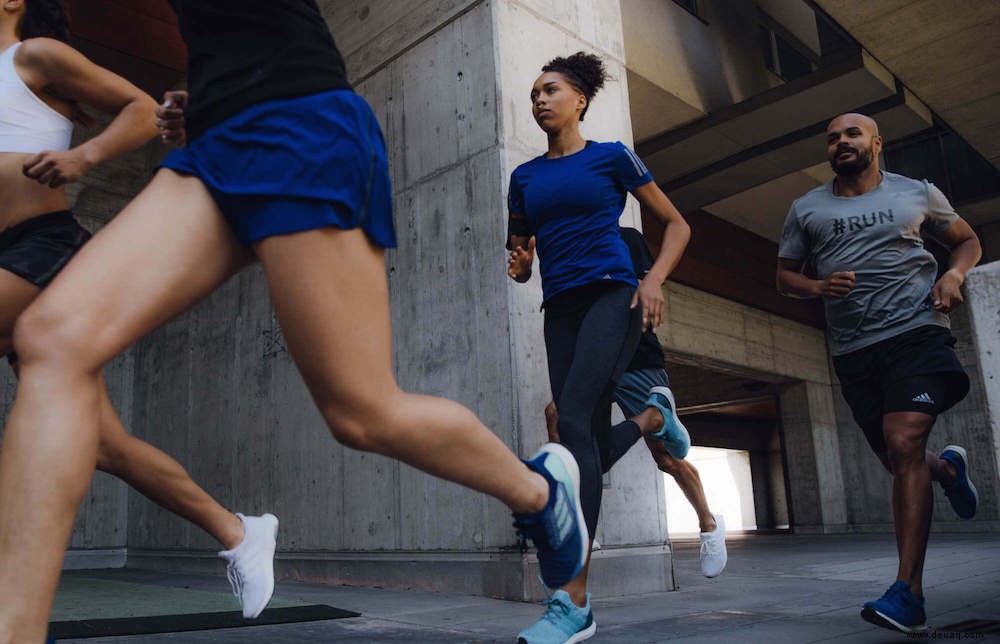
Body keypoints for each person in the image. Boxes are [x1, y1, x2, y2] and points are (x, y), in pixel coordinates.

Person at [0, 1, 588, 642]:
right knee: (52, 338)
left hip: (300, 124)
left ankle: (539, 492)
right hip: (214, 147)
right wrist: (204, 97)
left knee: (362, 414)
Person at [0, 0, 277, 622]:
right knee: (104, 444)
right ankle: (238, 530)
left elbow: (141, 110)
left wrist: (82, 159)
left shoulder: (33, 54)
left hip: (37, 247)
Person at [506, 52, 691, 644]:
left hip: (616, 296)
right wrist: (522, 263)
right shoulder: (524, 178)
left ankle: (573, 597)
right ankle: (651, 418)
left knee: (577, 419)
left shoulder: (612, 156)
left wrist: (653, 278)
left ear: (580, 99)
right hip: (558, 307)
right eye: (533, 93)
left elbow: (678, 224)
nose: (539, 100)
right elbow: (518, 253)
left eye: (550, 90)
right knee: (572, 432)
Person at [776, 113, 981, 634]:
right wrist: (818, 288)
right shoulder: (807, 209)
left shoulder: (918, 193)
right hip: (854, 349)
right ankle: (950, 471)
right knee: (898, 457)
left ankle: (908, 593)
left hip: (918, 330)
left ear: (876, 143)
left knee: (904, 437)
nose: (841, 142)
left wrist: (954, 273)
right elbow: (784, 278)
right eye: (832, 138)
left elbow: (967, 241)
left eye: (852, 134)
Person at [516, 227, 727, 580]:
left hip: (636, 357)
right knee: (559, 419)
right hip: (588, 357)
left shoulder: (625, 238)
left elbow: (645, 289)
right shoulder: (568, 241)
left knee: (665, 458)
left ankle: (708, 523)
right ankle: (580, 519)